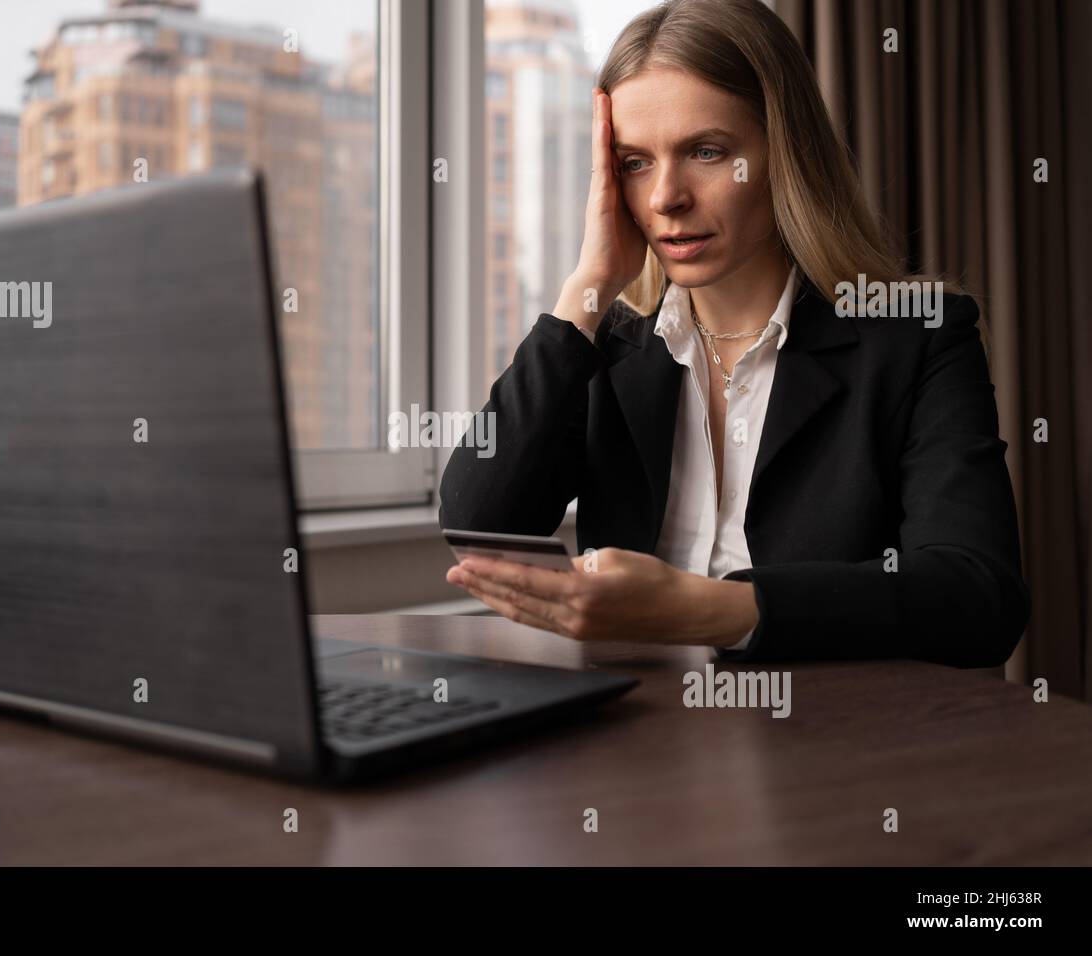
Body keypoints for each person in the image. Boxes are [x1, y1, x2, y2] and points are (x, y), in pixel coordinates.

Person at [438, 0, 1028, 667]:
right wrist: (588, 287)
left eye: (707, 152)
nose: (666, 198)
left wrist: (708, 611)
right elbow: (478, 525)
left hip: (836, 750)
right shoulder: (604, 346)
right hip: (636, 745)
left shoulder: (917, 339)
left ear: (786, 155)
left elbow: (978, 599)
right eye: (634, 162)